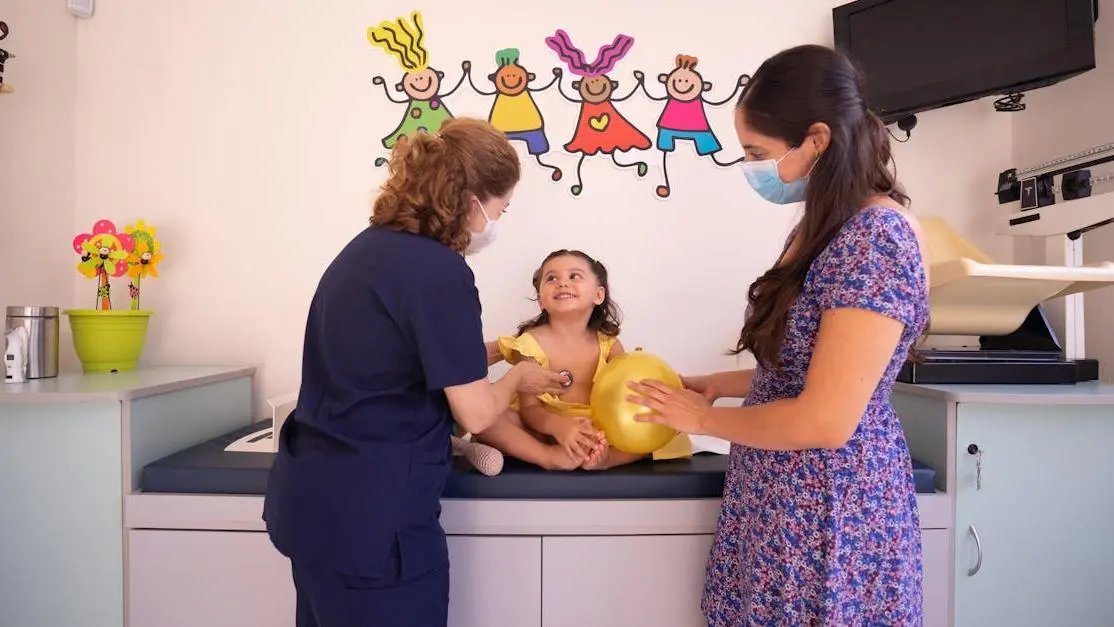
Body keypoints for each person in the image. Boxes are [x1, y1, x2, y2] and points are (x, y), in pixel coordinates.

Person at [627, 45, 930, 626]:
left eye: (757, 153)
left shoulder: (876, 239)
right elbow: (808, 366)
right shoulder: (826, 227)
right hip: (779, 497)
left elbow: (826, 418)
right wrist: (715, 385)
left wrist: (700, 420)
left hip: (828, 512)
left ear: (816, 140)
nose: (752, 169)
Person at [262, 117, 568, 627]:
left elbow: (393, 359)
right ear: (471, 201)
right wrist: (518, 380)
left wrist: (497, 352)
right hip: (376, 526)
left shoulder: (367, 250)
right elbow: (473, 410)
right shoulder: (440, 272)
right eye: (501, 209)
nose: (497, 222)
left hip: (315, 506)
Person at [475, 249, 693, 471]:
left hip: (598, 428)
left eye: (574, 276)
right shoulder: (530, 344)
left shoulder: (609, 345)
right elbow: (530, 409)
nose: (562, 283)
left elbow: (626, 398)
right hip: (543, 429)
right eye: (551, 278)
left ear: (598, 295)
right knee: (481, 412)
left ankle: (607, 459)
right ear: (541, 301)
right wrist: (558, 427)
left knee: (669, 428)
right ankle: (547, 456)